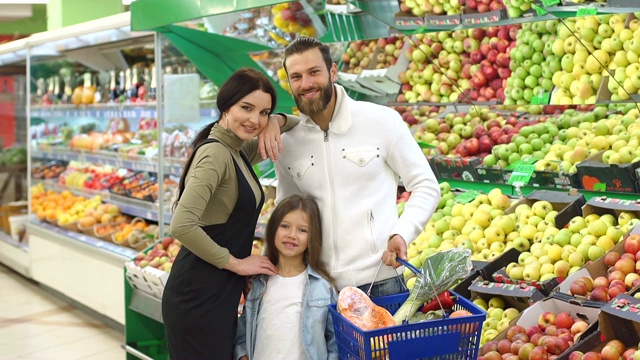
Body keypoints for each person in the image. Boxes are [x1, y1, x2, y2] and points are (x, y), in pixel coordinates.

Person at [274, 37, 442, 297]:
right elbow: (284, 212)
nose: (306, 84)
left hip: (381, 282)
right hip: (319, 289)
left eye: (314, 72)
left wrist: (402, 233)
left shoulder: (382, 121)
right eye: (296, 77)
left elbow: (426, 186)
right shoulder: (288, 143)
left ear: (332, 72)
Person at [162, 67, 298, 359]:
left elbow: (297, 122)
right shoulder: (216, 154)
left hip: (217, 291)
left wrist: (275, 120)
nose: (254, 120)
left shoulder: (236, 150)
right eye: (246, 108)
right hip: (197, 296)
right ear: (226, 104)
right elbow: (181, 225)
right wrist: (236, 264)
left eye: (262, 112)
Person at [234, 194, 338, 360]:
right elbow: (242, 332)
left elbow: (334, 343)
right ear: (273, 229)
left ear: (312, 237)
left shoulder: (323, 287)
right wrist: (242, 356)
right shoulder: (259, 283)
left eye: (302, 230)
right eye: (285, 226)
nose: (292, 235)